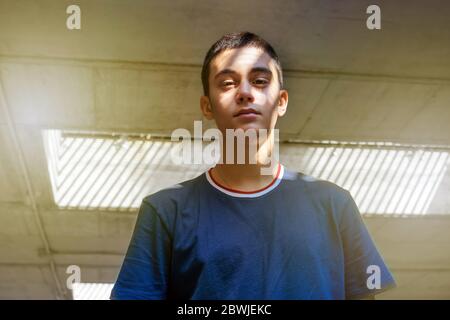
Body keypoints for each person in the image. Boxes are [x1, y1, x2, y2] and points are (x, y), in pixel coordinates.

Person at [110, 31, 396, 300]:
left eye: (260, 81)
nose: (245, 92)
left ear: (281, 101)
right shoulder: (165, 211)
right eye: (227, 83)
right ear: (207, 106)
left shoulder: (334, 204)